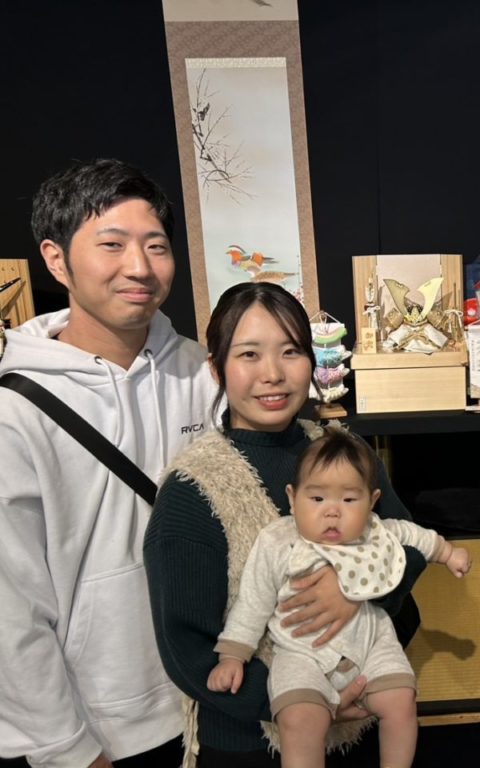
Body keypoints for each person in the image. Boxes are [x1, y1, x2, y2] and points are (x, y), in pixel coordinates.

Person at [0, 159, 217, 767]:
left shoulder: (203, 374)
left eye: (156, 245)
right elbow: (3, 611)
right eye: (112, 244)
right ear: (56, 259)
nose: (140, 267)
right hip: (105, 730)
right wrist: (64, 750)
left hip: (219, 694)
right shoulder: (5, 420)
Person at [144, 282, 429, 767]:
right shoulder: (193, 487)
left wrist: (356, 588)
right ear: (216, 368)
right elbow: (185, 646)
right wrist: (302, 706)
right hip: (250, 739)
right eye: (249, 354)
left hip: (360, 712)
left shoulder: (342, 451)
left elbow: (411, 549)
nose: (273, 374)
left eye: (290, 351)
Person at [208, 427, 472, 768]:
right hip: (301, 652)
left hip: (371, 642)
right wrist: (233, 655)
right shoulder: (278, 541)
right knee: (299, 719)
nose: (332, 511)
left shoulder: (375, 530)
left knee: (401, 700)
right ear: (292, 498)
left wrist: (448, 553)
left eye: (349, 500)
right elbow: (253, 602)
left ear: (372, 501)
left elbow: (413, 536)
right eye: (317, 499)